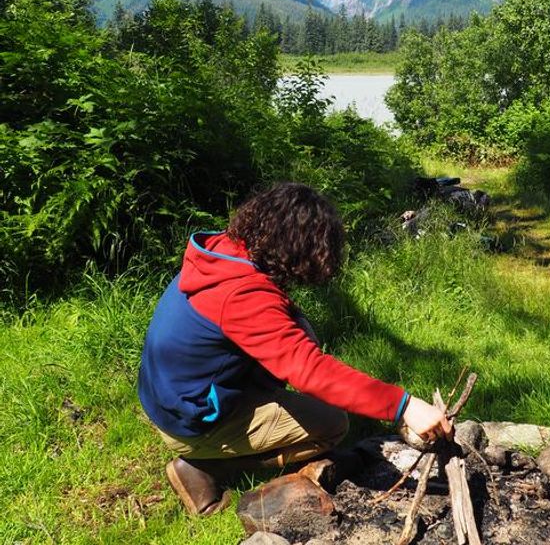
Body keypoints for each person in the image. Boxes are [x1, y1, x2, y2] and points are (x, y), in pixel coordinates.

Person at [137, 183, 452, 515]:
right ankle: (205, 467)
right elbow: (311, 371)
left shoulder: (225, 252)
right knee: (332, 423)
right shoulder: (243, 297)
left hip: (171, 394)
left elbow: (283, 324)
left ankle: (222, 443)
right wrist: (403, 406)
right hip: (189, 419)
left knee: (302, 333)